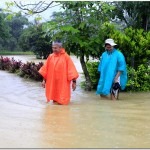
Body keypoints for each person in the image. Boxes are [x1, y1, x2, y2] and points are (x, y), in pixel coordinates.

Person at [38, 40, 79, 105]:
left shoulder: (66, 57)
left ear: (60, 47)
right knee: (54, 100)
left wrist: (74, 82)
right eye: (53, 47)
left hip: (63, 83)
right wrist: (44, 80)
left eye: (55, 48)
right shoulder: (50, 57)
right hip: (52, 83)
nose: (54, 49)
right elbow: (46, 70)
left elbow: (71, 71)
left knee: (63, 102)